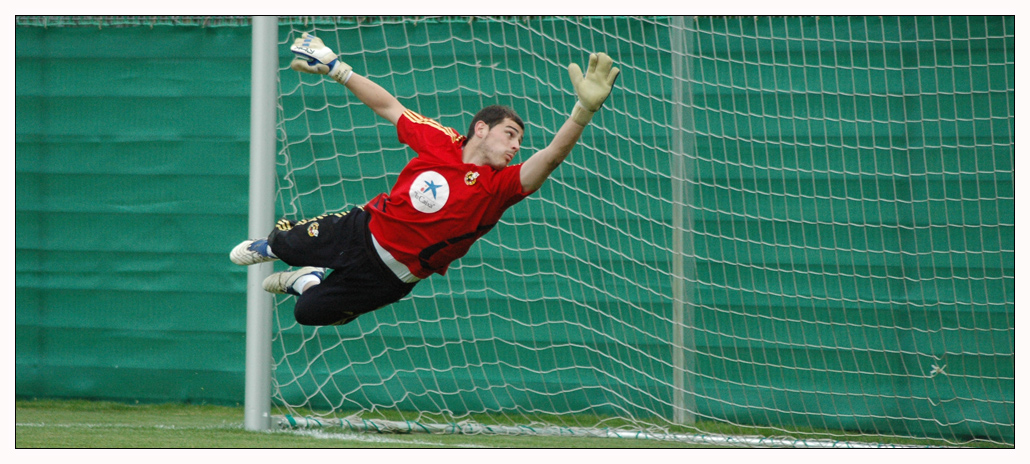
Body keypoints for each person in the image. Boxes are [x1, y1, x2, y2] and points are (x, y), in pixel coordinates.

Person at [231, 33, 619, 326]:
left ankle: (305, 282)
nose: (516, 146)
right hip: (361, 230)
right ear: (481, 129)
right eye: (510, 135)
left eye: (520, 140)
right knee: (281, 244)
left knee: (308, 313)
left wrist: (582, 111)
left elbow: (550, 158)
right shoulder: (441, 141)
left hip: (392, 276)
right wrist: (338, 70)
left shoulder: (499, 188)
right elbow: (390, 107)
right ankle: (285, 249)